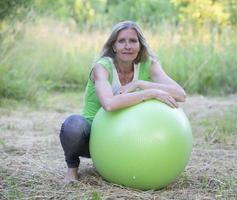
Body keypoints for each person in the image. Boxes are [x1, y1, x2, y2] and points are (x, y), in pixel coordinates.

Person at [59, 20, 186, 183]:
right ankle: (72, 171)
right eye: (122, 41)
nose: (128, 46)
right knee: (73, 125)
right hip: (94, 136)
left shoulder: (149, 66)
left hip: (131, 136)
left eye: (133, 41)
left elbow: (180, 95)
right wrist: (150, 93)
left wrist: (141, 84)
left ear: (140, 45)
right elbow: (109, 104)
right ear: (114, 46)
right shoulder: (102, 67)